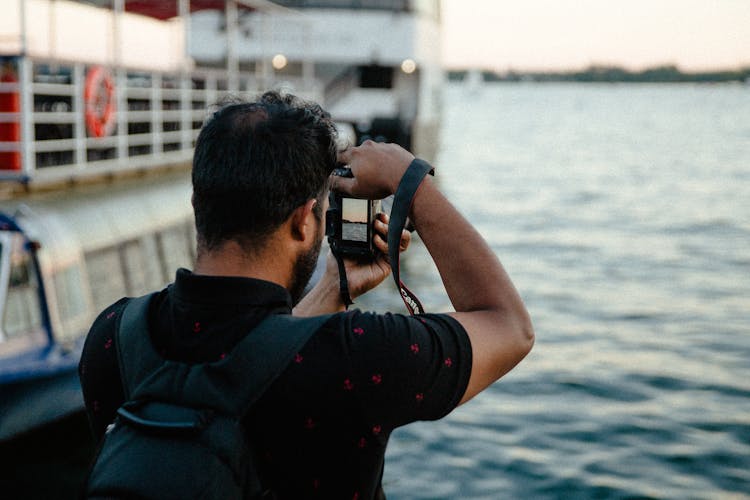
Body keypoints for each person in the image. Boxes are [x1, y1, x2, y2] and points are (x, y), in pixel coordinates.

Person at [78, 91, 534, 499]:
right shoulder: (357, 357)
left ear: (198, 205)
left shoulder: (113, 337)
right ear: (304, 220)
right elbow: (509, 327)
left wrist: (332, 291)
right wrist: (410, 180)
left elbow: (244, 361)